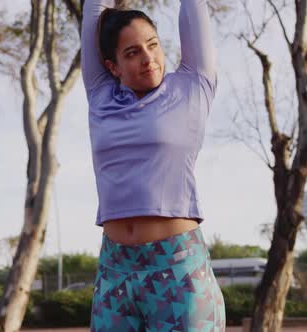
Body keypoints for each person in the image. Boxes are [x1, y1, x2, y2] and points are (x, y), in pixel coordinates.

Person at [81, 0, 226, 330]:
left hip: (178, 271)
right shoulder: (100, 94)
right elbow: (94, 9)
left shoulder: (193, 85)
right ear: (112, 65)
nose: (148, 59)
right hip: (115, 270)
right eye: (132, 53)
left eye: (152, 45)